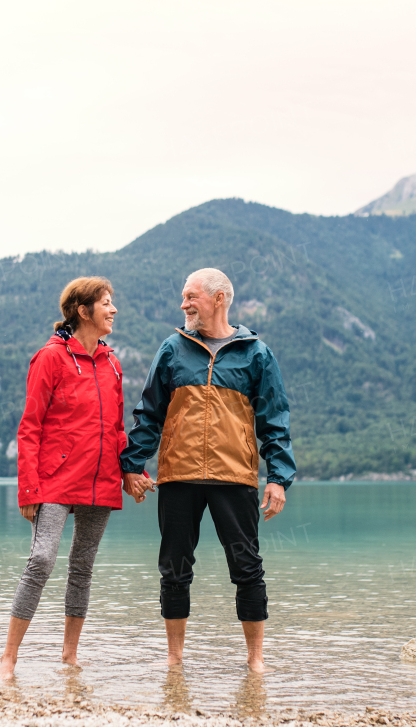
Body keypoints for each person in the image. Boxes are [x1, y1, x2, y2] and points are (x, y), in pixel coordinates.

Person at [119, 268, 295, 673]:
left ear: (219, 299)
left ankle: (255, 662)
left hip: (235, 477)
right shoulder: (172, 349)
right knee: (175, 569)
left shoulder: (256, 353)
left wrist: (279, 478)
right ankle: (175, 660)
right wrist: (132, 466)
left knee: (247, 567)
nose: (184, 305)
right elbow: (149, 414)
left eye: (191, 296)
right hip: (178, 477)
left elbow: (274, 420)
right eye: (183, 297)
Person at [0, 276, 133, 681]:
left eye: (112, 302)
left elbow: (118, 428)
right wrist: (28, 488)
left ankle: (69, 655)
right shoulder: (50, 358)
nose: (113, 310)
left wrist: (132, 471)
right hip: (54, 481)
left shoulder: (112, 363)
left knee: (82, 567)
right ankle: (9, 658)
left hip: (100, 480)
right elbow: (30, 426)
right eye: (106, 303)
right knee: (41, 561)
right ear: (82, 310)